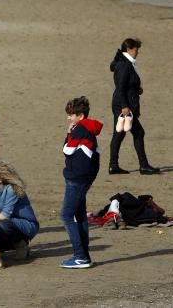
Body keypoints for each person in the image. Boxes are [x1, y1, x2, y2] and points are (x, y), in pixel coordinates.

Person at [60, 95, 103, 269]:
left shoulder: (80, 129)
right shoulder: (90, 129)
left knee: (66, 215)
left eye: (71, 115)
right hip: (84, 178)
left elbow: (67, 150)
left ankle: (80, 256)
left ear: (80, 115)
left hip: (77, 179)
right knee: (79, 215)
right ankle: (84, 255)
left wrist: (68, 133)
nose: (68, 118)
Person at [109, 38, 160, 175]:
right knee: (137, 133)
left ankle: (114, 166)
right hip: (123, 105)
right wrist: (125, 106)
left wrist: (136, 89)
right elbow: (120, 88)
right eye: (136, 49)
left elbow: (126, 85)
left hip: (122, 103)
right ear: (129, 49)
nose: (137, 52)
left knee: (119, 135)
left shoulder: (123, 63)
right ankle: (143, 165)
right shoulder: (125, 65)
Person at [0, 161, 39, 258]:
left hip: (26, 224)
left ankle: (21, 244)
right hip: (8, 222)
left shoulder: (12, 189)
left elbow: (5, 215)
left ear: (0, 179)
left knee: (1, 224)